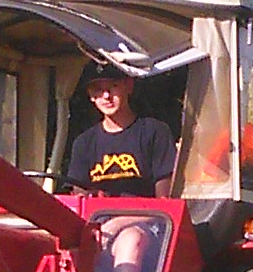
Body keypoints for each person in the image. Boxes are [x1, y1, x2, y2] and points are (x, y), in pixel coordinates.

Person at [56, 65, 178, 196]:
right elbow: (78, 194)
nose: (106, 96)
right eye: (98, 90)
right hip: (96, 215)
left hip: (147, 214)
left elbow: (165, 197)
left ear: (129, 86)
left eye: (113, 86)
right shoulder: (83, 143)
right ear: (91, 96)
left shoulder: (155, 132)